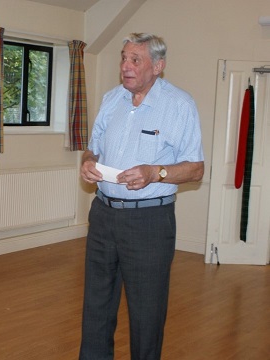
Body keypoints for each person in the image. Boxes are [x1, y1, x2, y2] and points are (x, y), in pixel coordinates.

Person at [79, 33, 204, 360]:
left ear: (158, 66)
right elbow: (92, 147)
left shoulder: (179, 105)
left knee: (146, 312)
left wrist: (155, 173)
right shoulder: (111, 100)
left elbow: (195, 169)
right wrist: (88, 162)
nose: (125, 66)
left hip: (149, 221)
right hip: (104, 214)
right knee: (96, 306)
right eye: (123, 58)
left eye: (135, 60)